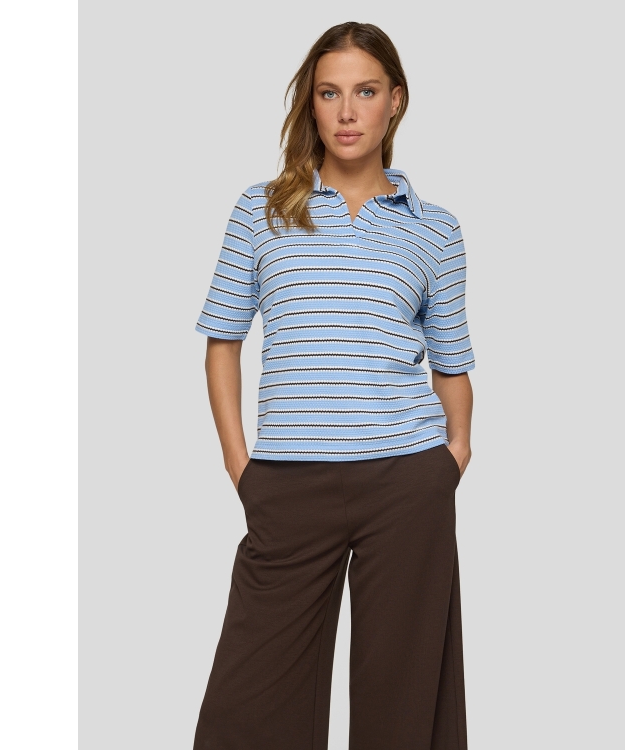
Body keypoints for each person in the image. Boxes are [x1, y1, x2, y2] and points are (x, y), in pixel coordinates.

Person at [191, 21, 476, 750]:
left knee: (403, 699)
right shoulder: (261, 210)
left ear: (395, 101)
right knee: (249, 705)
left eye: (365, 91)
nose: (347, 112)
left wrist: (452, 457)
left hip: (406, 481)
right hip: (288, 481)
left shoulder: (435, 230)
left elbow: (451, 362)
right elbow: (223, 343)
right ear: (310, 104)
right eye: (329, 93)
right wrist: (241, 466)